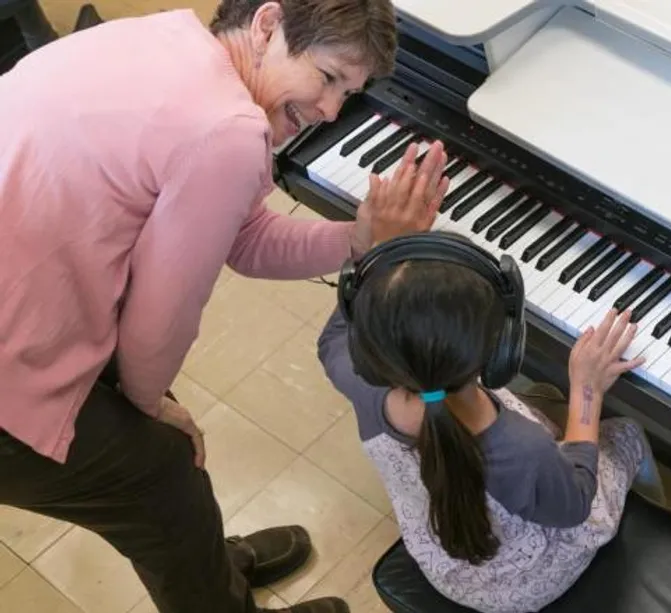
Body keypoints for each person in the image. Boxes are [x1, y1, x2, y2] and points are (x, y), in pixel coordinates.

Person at [0, 0, 449, 610]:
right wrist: (150, 407)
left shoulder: (168, 39)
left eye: (350, 92)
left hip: (28, 303)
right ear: (267, 25)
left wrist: (360, 239)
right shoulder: (227, 130)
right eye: (328, 78)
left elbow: (243, 236)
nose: (331, 110)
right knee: (164, 470)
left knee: (169, 463)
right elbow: (161, 324)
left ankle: (211, 563)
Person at [317, 232, 666, 613]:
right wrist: (586, 391)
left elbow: (332, 339)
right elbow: (576, 503)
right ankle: (650, 514)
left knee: (552, 425)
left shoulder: (360, 384)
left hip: (446, 569)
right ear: (503, 349)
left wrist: (379, 246)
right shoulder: (522, 448)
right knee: (626, 432)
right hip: (529, 584)